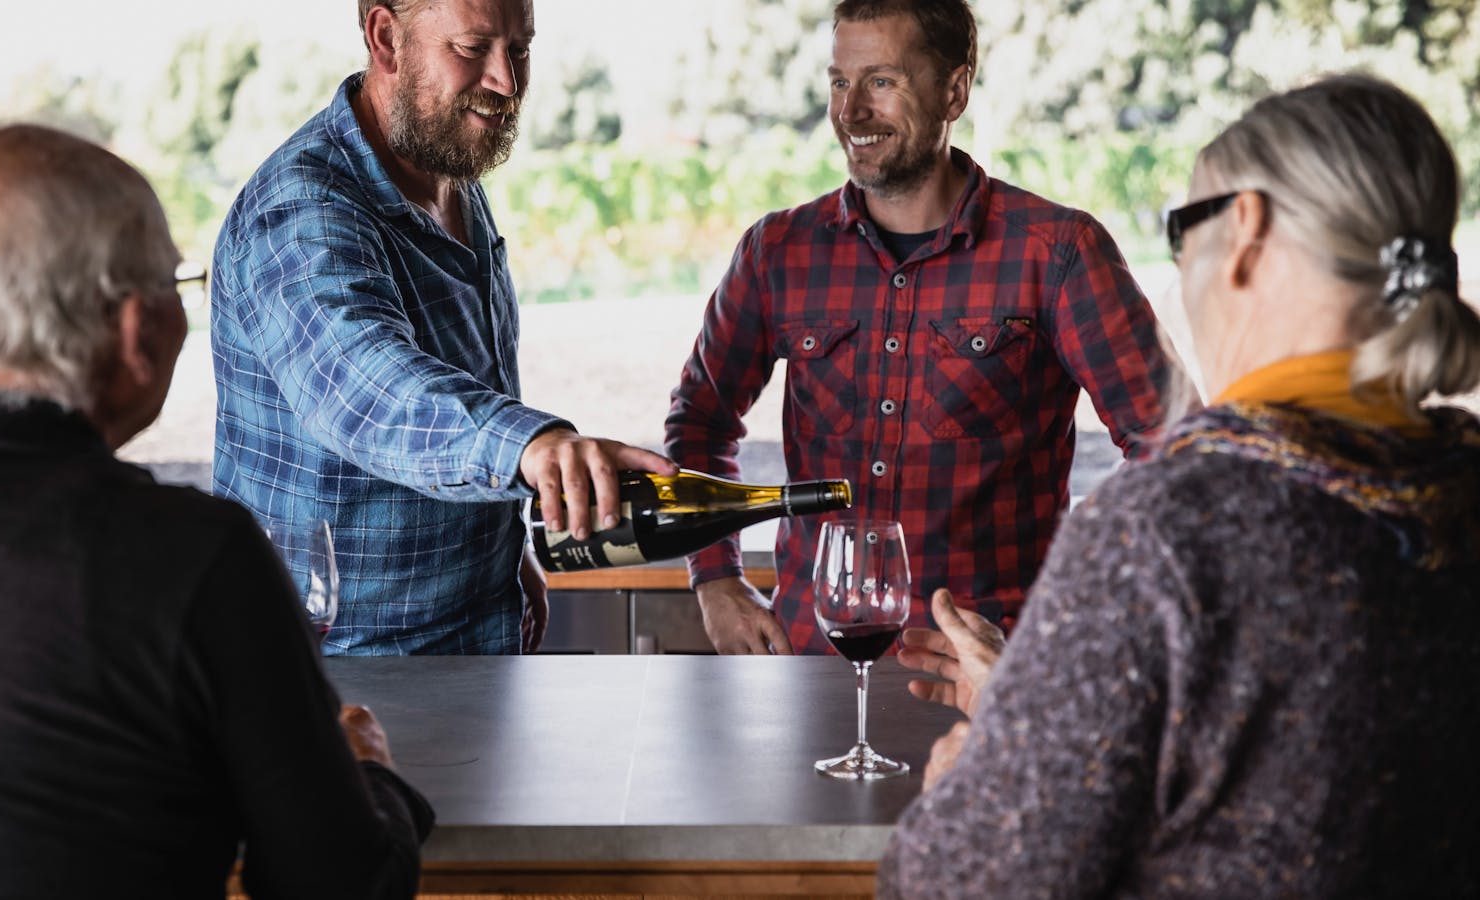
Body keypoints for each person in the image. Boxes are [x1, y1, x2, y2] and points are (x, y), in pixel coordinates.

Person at [880, 74, 1480, 898]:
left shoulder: (1168, 527)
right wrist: (1037, 703)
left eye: (1181, 230)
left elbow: (957, 884)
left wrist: (981, 764)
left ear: (1246, 232)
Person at [0, 124, 434, 899]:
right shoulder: (195, 559)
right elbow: (341, 887)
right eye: (178, 287)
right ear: (140, 328)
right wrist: (370, 775)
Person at [664, 0, 1177, 655]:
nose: (851, 112)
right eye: (840, 83)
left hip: (989, 682)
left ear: (953, 91)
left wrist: (1092, 604)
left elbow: (1169, 446)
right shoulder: (778, 253)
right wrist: (716, 579)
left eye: (881, 82)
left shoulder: (1056, 253)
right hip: (811, 665)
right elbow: (699, 421)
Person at [211, 0, 675, 655]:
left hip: (472, 629)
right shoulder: (301, 210)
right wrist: (531, 447)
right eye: (472, 48)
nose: (507, 82)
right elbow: (370, 389)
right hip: (339, 665)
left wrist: (502, 555)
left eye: (520, 49)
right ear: (386, 38)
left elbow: (462, 391)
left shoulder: (442, 166)